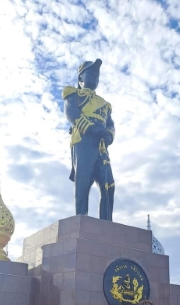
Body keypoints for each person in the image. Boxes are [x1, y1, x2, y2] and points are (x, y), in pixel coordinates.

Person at [62, 59, 115, 220]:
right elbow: (72, 113)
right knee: (83, 180)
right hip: (83, 140)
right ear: (81, 78)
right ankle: (81, 218)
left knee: (108, 184)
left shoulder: (104, 104)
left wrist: (108, 135)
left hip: (101, 145)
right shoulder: (74, 94)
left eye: (97, 75)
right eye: (90, 73)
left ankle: (106, 222)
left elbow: (111, 124)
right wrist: (91, 129)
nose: (94, 77)